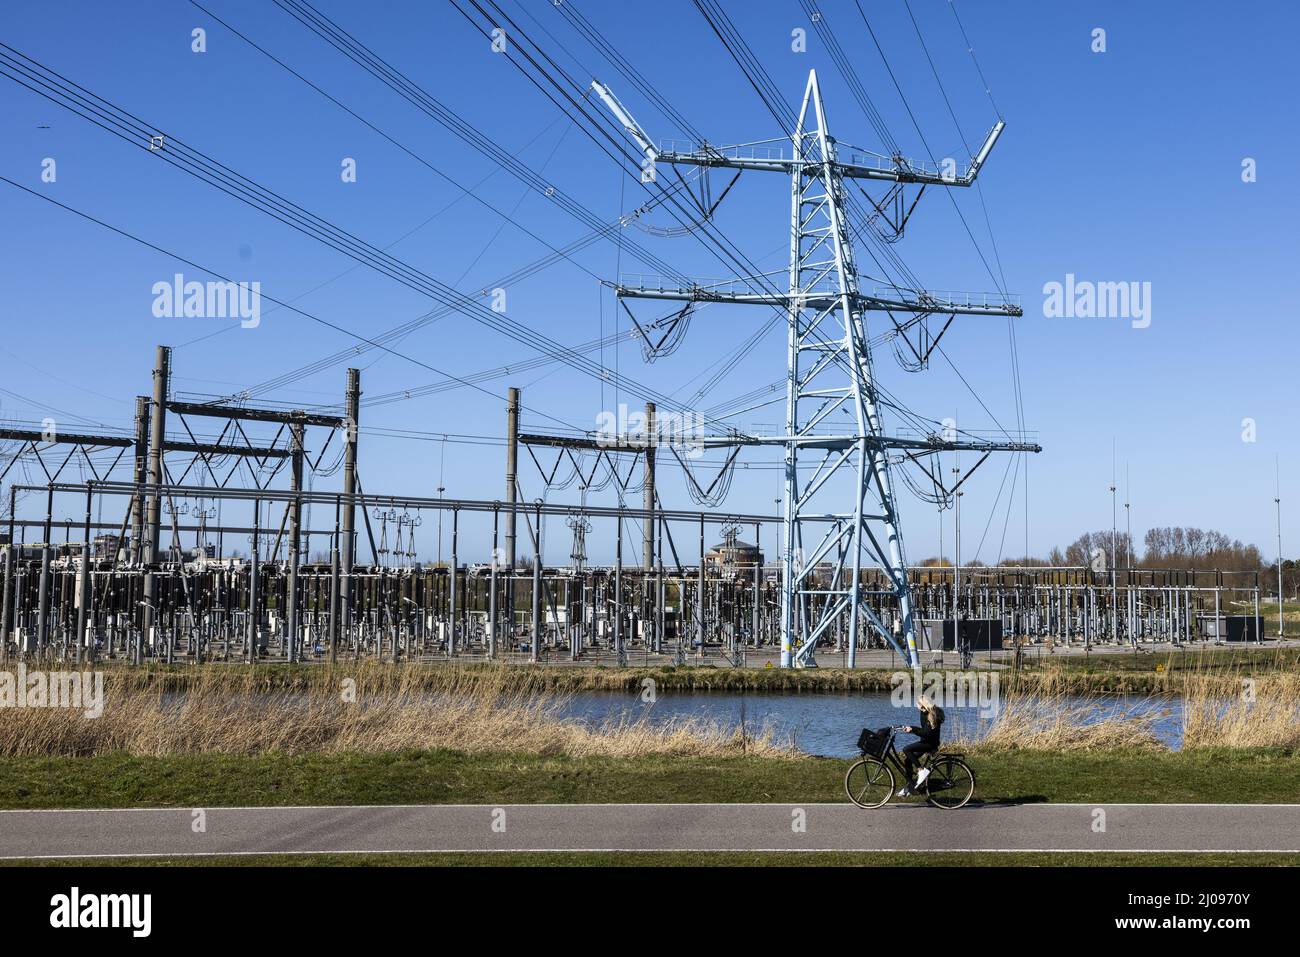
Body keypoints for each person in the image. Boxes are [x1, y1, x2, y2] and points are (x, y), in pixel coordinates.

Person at [897, 694, 944, 796]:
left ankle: (921, 770)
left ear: (923, 704)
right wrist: (911, 728)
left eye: (918, 703)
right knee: (908, 760)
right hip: (926, 741)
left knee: (906, 749)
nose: (916, 705)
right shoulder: (924, 713)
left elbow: (926, 733)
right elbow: (924, 730)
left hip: (930, 743)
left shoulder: (932, 715)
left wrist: (912, 730)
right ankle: (909, 787)